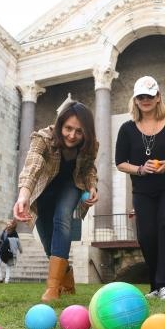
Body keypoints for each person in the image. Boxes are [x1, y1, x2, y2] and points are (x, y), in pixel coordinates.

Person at [115, 76, 165, 301]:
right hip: (142, 190)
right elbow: (120, 163)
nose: (145, 100)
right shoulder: (126, 129)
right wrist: (139, 169)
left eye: (150, 95)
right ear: (135, 100)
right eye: (141, 96)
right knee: (147, 236)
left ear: (158, 97)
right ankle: (156, 286)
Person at [14, 100, 98, 301]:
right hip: (45, 189)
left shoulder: (90, 145)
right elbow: (31, 166)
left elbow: (88, 169)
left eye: (79, 131)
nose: (72, 135)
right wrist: (23, 196)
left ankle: (53, 288)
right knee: (47, 241)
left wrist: (92, 186)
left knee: (62, 218)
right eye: (68, 128)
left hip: (71, 186)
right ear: (60, 124)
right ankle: (66, 276)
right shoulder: (43, 138)